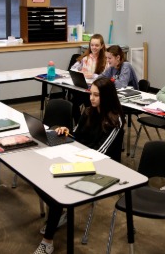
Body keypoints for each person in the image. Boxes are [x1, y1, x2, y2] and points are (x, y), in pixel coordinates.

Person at [34, 77, 124, 254]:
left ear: (106, 97)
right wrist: (65, 133)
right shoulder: (88, 112)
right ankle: (59, 212)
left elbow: (101, 152)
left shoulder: (115, 121)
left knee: (58, 189)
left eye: (96, 95)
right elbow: (77, 135)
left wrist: (74, 156)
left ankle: (48, 242)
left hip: (102, 167)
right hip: (80, 159)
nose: (92, 98)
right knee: (38, 177)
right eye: (91, 94)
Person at [69, 34, 109, 124]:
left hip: (96, 91)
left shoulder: (106, 60)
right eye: (92, 45)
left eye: (97, 45)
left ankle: (88, 124)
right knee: (72, 104)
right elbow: (73, 68)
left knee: (89, 105)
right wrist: (80, 72)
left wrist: (93, 75)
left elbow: (106, 76)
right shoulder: (86, 58)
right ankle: (79, 124)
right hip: (84, 88)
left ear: (102, 46)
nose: (94, 47)